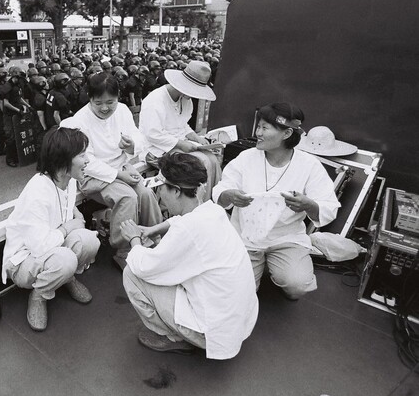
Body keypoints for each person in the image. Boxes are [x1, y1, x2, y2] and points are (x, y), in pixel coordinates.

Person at [120, 152, 258, 359]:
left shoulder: (189, 230)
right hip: (237, 322)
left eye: (161, 189)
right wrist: (154, 229)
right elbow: (183, 221)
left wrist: (134, 239)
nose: (161, 196)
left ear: (175, 191)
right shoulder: (214, 211)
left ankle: (174, 338)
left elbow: (144, 267)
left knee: (131, 273)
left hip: (210, 334)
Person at [211, 102, 341, 300]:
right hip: (246, 237)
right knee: (238, 295)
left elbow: (329, 207)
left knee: (297, 286)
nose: (258, 132)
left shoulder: (309, 165)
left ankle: (280, 267)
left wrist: (308, 205)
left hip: (285, 238)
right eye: (259, 126)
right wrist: (229, 195)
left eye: (264, 127)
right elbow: (220, 189)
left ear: (287, 134)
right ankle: (256, 266)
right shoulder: (246, 158)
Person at [60, 72, 162, 269]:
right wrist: (118, 174)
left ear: (118, 98)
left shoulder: (123, 110)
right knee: (127, 198)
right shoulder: (79, 120)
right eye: (98, 103)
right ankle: (124, 250)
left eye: (110, 102)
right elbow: (86, 161)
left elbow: (137, 135)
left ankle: (154, 237)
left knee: (146, 194)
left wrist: (132, 143)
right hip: (92, 174)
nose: (105, 108)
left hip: (122, 166)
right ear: (89, 98)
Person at [2, 127, 99, 331]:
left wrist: (74, 212)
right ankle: (38, 296)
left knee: (90, 241)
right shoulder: (37, 191)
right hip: (23, 261)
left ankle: (67, 277)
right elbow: (38, 246)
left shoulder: (68, 180)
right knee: (66, 260)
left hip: (50, 246)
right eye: (82, 155)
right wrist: (68, 227)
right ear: (64, 161)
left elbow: (61, 200)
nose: (87, 159)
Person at [139, 60, 222, 200]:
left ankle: (214, 200)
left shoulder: (186, 100)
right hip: (155, 149)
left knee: (213, 159)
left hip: (177, 145)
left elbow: (182, 125)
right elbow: (152, 134)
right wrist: (181, 144)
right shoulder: (155, 100)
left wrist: (197, 138)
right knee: (201, 162)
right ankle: (200, 204)